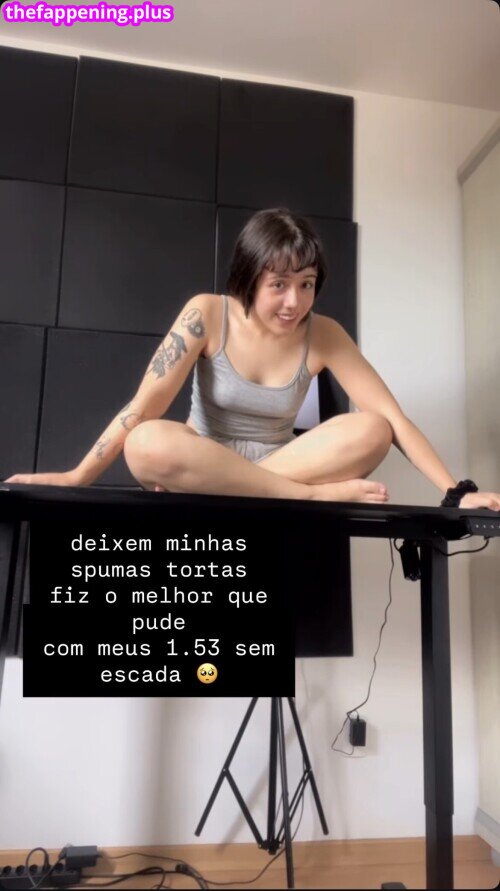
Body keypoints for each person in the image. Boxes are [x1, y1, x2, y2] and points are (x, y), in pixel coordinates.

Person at [6, 208, 500, 510]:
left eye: (306, 284)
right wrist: (76, 477)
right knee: (146, 441)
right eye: (279, 284)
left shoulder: (324, 334)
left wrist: (456, 492)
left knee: (373, 427)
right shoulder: (206, 313)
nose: (294, 302)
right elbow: (144, 406)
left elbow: (394, 419)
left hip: (276, 464)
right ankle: (305, 498)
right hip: (206, 457)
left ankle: (239, 491)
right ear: (249, 277)